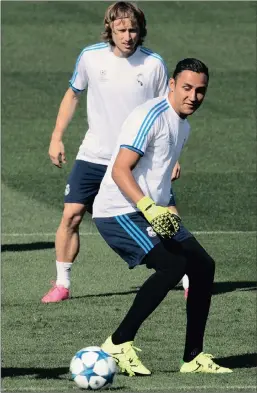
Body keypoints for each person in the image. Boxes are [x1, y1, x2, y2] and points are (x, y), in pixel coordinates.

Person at [93, 58, 233, 375]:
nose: (193, 96)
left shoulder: (183, 124)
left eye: (200, 91)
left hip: (152, 211)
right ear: (171, 85)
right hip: (120, 211)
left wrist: (167, 210)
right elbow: (119, 169)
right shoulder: (151, 116)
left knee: (203, 265)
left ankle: (193, 358)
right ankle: (117, 344)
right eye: (186, 88)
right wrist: (149, 207)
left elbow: (158, 175)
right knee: (173, 265)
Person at [41, 1, 181, 303]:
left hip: (137, 158)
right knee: (72, 215)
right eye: (121, 30)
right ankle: (62, 283)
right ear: (110, 29)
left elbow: (166, 111)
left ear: (140, 30)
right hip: (95, 154)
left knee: (166, 216)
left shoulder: (153, 64)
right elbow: (72, 94)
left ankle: (187, 278)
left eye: (133, 30)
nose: (128, 36)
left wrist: (173, 156)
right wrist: (57, 136)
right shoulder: (91, 58)